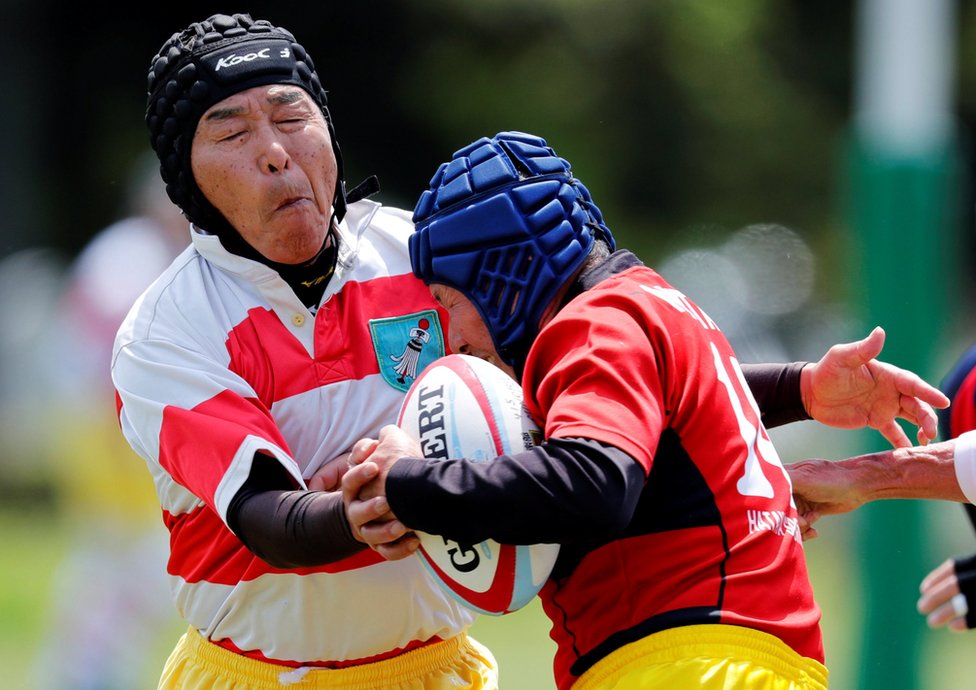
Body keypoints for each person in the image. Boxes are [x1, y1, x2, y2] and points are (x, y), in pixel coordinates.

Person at [114, 16, 948, 690]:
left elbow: (607, 392)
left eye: (292, 115)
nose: (273, 148)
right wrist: (369, 508)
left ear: (328, 130)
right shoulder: (167, 332)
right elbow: (270, 520)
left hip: (435, 670)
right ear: (184, 179)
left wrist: (802, 389)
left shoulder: (427, 258)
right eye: (230, 129)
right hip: (260, 675)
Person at [338, 131, 948, 690]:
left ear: (501, 273)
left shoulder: (591, 325)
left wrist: (407, 483)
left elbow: (593, 483)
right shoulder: (657, 302)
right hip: (760, 664)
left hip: (681, 666)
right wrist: (802, 388)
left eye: (449, 302)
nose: (453, 336)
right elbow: (676, 404)